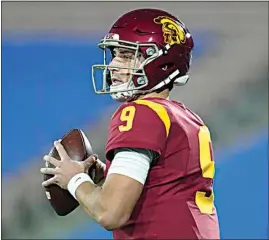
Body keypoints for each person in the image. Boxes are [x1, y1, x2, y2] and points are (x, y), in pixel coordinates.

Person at [40, 8, 220, 239]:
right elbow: (165, 185)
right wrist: (110, 175)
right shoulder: (186, 117)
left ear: (161, 61)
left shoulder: (139, 113)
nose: (114, 64)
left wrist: (74, 178)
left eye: (127, 55)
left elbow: (111, 213)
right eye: (115, 54)